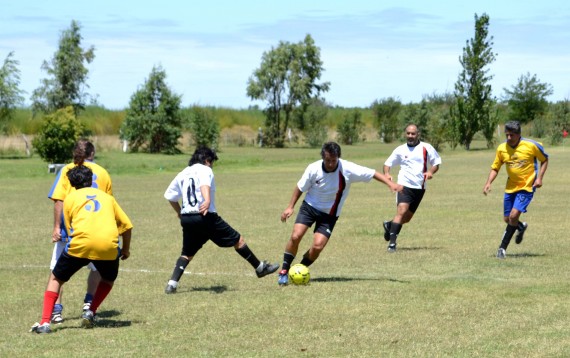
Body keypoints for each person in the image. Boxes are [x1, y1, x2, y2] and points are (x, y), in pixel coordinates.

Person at [277, 141, 402, 286]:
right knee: (295, 236)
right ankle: (284, 271)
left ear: (339, 158)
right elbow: (300, 188)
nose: (330, 164)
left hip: (329, 215)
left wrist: (391, 184)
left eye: (333, 160)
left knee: (317, 246)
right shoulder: (313, 168)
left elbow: (373, 173)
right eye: (327, 160)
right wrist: (290, 207)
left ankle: (300, 269)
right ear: (323, 157)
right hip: (309, 208)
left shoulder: (347, 168)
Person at [31, 165, 133, 334]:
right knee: (107, 279)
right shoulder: (108, 198)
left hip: (80, 244)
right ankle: (91, 311)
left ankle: (44, 323)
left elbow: (71, 228)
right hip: (107, 247)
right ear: (91, 179)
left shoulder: (70, 199)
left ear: (71, 182)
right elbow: (127, 227)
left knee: (56, 278)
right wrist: (126, 250)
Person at [163, 147, 279, 294]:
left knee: (187, 253)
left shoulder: (183, 173)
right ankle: (260, 268)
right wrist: (207, 199)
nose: (212, 166)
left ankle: (172, 284)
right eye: (211, 162)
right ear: (207, 160)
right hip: (204, 215)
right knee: (238, 240)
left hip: (188, 218)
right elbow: (204, 184)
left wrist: (180, 213)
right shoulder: (205, 169)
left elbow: (170, 195)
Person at [46, 139, 113, 323]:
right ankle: (89, 303)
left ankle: (56, 311)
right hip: (98, 229)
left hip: (72, 229)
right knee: (97, 267)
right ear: (92, 153)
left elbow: (59, 200)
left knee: (56, 271)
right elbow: (108, 203)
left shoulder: (67, 169)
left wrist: (57, 227)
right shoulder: (103, 172)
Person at [483, 121, 549, 259]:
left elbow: (545, 159)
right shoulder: (502, 149)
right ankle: (520, 227)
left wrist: (539, 178)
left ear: (518, 135)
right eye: (507, 135)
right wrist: (488, 182)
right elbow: (496, 167)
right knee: (507, 219)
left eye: (511, 135)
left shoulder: (531, 146)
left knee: (513, 216)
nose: (508, 138)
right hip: (510, 187)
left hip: (527, 187)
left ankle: (502, 249)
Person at [381, 124, 442, 252]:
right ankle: (392, 244)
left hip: (420, 187)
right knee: (401, 211)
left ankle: (389, 225)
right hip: (404, 185)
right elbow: (387, 164)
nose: (410, 136)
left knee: (407, 218)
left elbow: (436, 163)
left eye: (413, 134)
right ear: (405, 134)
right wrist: (387, 173)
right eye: (408, 133)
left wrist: (431, 172)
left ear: (418, 134)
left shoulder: (426, 147)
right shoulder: (400, 150)